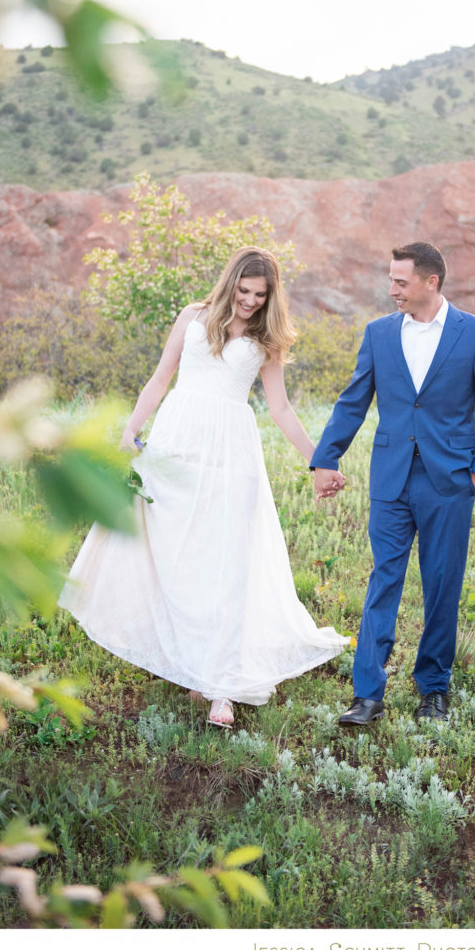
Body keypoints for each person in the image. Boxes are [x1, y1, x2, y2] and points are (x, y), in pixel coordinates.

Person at [59, 246, 349, 728]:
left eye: (261, 294)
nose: (251, 301)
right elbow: (160, 378)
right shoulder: (192, 317)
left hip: (230, 453)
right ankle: (193, 657)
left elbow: (280, 409)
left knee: (225, 561)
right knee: (176, 552)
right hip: (176, 443)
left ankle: (222, 688)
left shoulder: (266, 338)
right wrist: (129, 432)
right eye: (244, 291)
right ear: (229, 282)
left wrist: (320, 462)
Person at [312, 242, 475, 725]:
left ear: (431, 282)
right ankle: (367, 695)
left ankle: (433, 691)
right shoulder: (379, 334)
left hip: (449, 481)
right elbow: (352, 401)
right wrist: (326, 458)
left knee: (442, 585)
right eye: (391, 280)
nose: (392, 290)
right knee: (384, 578)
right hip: (391, 479)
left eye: (400, 282)